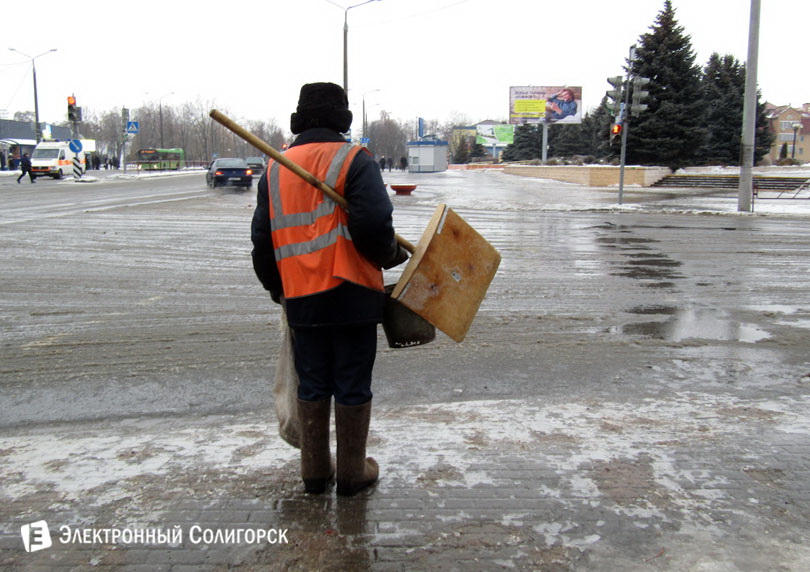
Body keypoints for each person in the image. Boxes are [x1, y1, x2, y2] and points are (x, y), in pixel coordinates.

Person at [251, 82, 408, 496]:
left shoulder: (275, 167)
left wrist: (277, 290)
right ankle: (353, 472)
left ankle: (315, 471)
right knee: (352, 381)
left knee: (314, 382)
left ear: (300, 117)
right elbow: (374, 227)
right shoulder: (355, 160)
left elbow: (263, 242)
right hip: (353, 291)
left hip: (301, 297)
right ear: (342, 118)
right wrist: (391, 255)